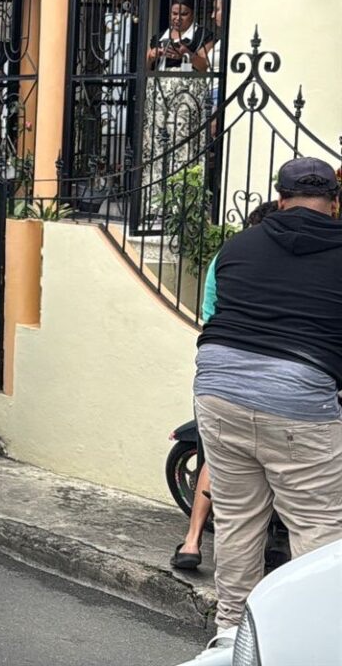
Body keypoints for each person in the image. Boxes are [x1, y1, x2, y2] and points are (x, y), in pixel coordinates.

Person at [194, 158, 342, 652]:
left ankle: (230, 634)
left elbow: (216, 312)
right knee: (317, 527)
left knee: (238, 520)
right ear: (334, 202)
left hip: (217, 390)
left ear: (279, 198)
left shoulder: (236, 246)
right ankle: (311, 640)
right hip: (299, 397)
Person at [174, 199, 280, 571]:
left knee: (219, 457)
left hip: (218, 372)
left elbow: (209, 316)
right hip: (269, 378)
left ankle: (191, 541)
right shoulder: (273, 263)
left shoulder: (228, 257)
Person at [146, 0, 212, 73]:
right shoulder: (159, 37)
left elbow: (206, 67)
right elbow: (144, 68)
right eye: (174, 13)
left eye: (184, 14)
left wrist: (187, 55)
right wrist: (150, 58)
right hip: (158, 84)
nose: (178, 18)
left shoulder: (202, 35)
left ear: (193, 15)